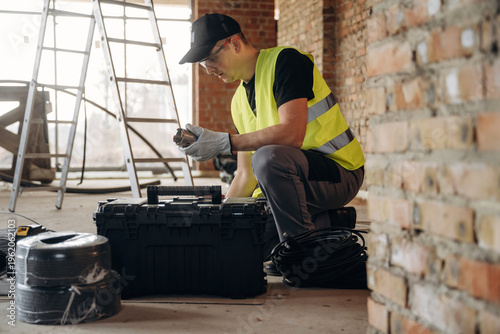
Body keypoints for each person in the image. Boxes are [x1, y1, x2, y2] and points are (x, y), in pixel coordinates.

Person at [178, 13, 365, 272]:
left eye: (211, 58)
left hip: (338, 172)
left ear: (234, 43)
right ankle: (330, 223)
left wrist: (225, 142)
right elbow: (244, 175)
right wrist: (221, 218)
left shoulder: (286, 61)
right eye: (202, 63)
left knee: (267, 159)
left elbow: (292, 134)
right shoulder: (238, 103)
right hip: (289, 180)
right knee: (250, 241)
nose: (208, 69)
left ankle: (301, 255)